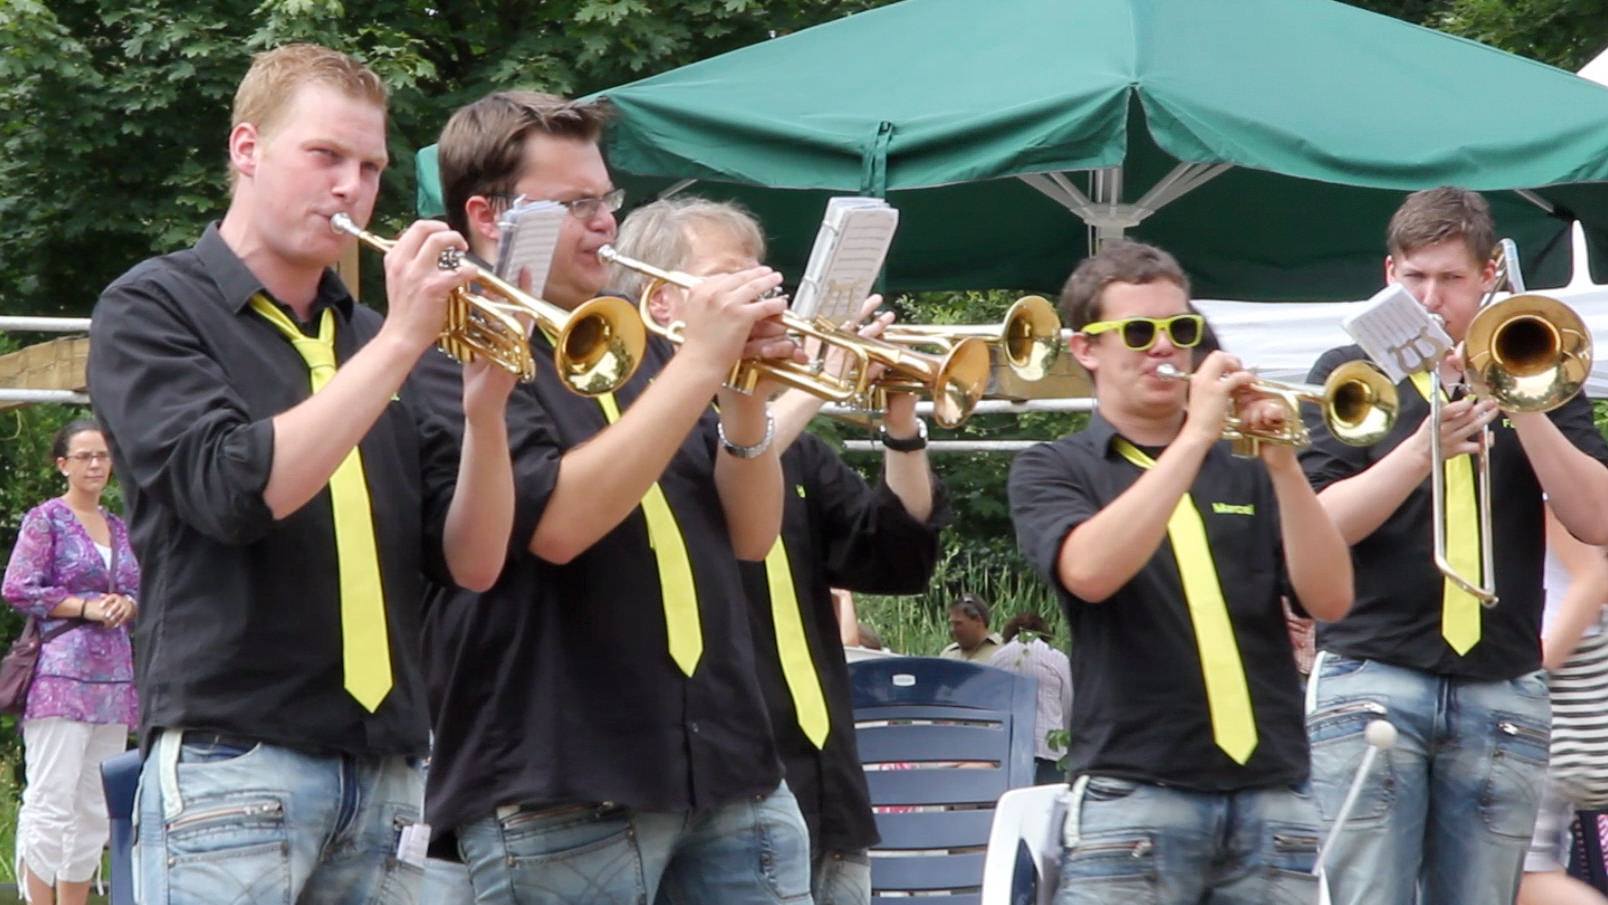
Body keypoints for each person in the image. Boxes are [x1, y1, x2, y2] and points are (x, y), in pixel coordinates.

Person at [86, 43, 518, 905]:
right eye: (325, 155)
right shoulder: (151, 306)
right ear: (247, 149)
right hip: (235, 755)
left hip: (390, 769)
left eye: (371, 167)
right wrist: (405, 341)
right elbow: (235, 491)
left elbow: (472, 562)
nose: (352, 187)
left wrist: (486, 411)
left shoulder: (370, 337)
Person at [416, 91, 807, 905]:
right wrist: (701, 364)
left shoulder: (644, 347)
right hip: (567, 780)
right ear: (488, 217)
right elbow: (558, 526)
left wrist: (743, 395)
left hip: (731, 766)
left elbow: (750, 535)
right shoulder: (446, 350)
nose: (606, 225)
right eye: (577, 205)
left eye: (607, 199)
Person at [611, 195, 949, 905]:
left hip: (828, 785)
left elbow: (896, 557)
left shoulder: (800, 453)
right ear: (661, 301)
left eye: (764, 279)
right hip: (726, 788)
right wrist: (815, 387)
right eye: (732, 278)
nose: (764, 296)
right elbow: (702, 484)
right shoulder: (628, 432)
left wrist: (903, 422)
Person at [1009, 239, 1352, 904]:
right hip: (1136, 796)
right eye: (1140, 332)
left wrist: (1283, 463)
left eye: (1182, 330)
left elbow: (1331, 597)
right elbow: (1089, 571)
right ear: (1086, 349)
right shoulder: (1054, 466)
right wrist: (1196, 435)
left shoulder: (1248, 472)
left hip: (1271, 796)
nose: (1165, 347)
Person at [1298, 186, 1608, 905]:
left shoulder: (1535, 361)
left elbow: (1596, 519)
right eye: (1415, 277)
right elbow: (1318, 526)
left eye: (1451, 279)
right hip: (1373, 671)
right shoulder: (1349, 371)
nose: (1431, 299)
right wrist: (1418, 453)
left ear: (1488, 275)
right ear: (1389, 273)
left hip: (1501, 680)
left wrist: (1520, 401)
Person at [1, 420, 139, 905]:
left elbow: (138, 588)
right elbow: (18, 587)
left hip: (113, 681)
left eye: (103, 455)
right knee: (51, 801)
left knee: (95, 807)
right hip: (60, 678)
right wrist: (85, 606)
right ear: (63, 464)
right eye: (85, 456)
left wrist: (126, 603)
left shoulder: (119, 526)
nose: (96, 464)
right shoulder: (47, 520)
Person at [1518, 504, 1608, 905]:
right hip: (1547, 687)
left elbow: (1593, 578)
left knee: (1523, 875)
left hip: (1547, 689)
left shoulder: (1542, 482)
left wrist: (1530, 669)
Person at [987, 612, 1072, 785]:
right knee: (1047, 799)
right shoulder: (1057, 658)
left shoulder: (997, 658)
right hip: (1049, 747)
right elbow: (1068, 703)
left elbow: (990, 704)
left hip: (1006, 747)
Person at [939, 592, 1002, 661]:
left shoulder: (1002, 649)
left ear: (978, 621)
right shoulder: (948, 654)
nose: (952, 629)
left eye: (958, 624)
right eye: (951, 623)